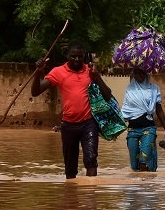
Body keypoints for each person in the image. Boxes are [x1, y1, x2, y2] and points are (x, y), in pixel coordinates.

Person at [32, 42, 114, 179]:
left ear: (84, 57)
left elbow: (108, 95)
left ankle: (90, 196)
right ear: (67, 56)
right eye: (73, 56)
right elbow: (35, 91)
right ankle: (71, 197)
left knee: (91, 160)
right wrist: (38, 73)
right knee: (70, 168)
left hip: (89, 123)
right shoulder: (58, 72)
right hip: (68, 125)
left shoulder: (90, 71)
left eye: (80, 57)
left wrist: (97, 77)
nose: (77, 60)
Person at [120, 66, 165, 171]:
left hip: (148, 129)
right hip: (132, 130)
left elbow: (159, 111)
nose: (139, 75)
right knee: (134, 166)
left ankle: (147, 183)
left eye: (141, 73)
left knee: (143, 161)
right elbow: (125, 110)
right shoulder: (130, 89)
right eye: (136, 73)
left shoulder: (154, 89)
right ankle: (141, 185)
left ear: (146, 74)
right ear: (133, 74)